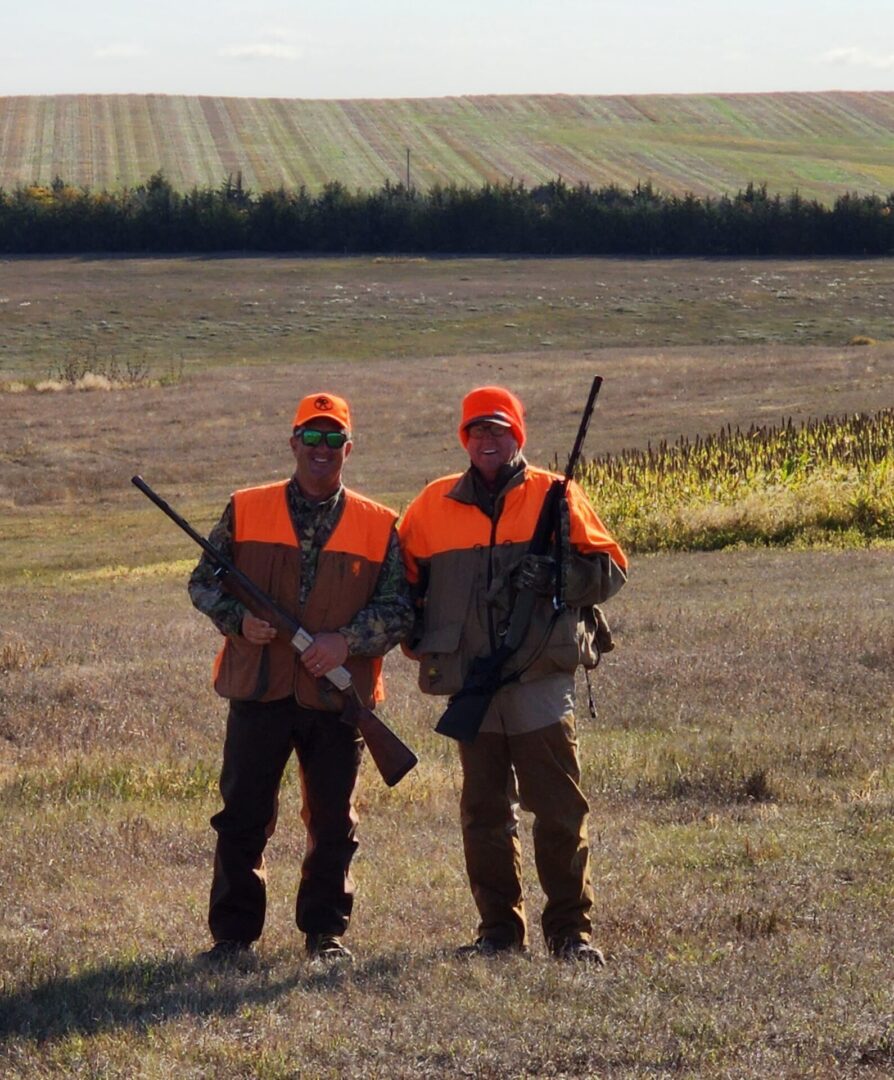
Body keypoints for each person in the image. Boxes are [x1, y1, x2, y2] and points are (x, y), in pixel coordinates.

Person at [398, 385, 628, 964]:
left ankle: (571, 933)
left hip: (539, 680)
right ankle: (499, 934)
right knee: (483, 814)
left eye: (498, 429)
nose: (487, 439)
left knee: (557, 810)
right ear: (464, 439)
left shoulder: (557, 495)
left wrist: (556, 577)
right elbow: (402, 584)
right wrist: (413, 637)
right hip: (473, 682)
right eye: (476, 430)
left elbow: (611, 570)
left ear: (517, 434)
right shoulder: (431, 505)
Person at [188, 391, 413, 965]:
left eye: (332, 438)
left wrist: (346, 642)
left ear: (348, 448)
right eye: (310, 437)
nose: (321, 449)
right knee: (242, 815)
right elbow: (203, 582)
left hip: (338, 699)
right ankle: (233, 937)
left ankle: (325, 933)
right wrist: (241, 621)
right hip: (259, 688)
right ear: (293, 443)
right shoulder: (246, 507)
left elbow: (401, 609)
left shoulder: (379, 522)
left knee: (334, 821)